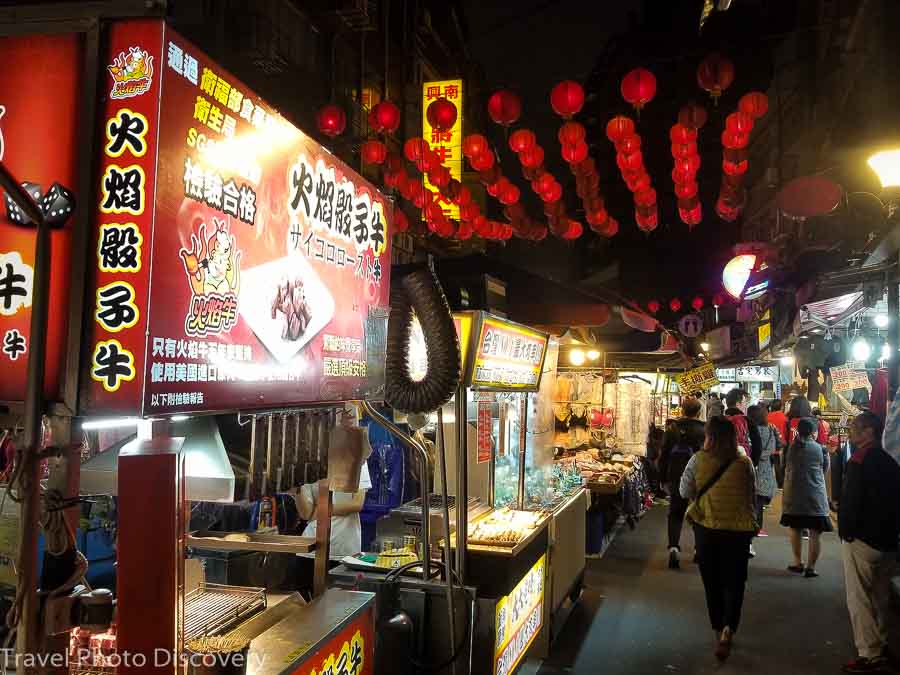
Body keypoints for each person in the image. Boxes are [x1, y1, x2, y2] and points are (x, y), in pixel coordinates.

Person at [681, 416, 758, 661]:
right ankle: (728, 628)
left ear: (710, 436)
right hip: (739, 531)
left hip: (707, 529)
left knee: (712, 581)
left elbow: (684, 490)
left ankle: (717, 628)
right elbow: (751, 494)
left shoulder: (697, 460)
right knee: (735, 581)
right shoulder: (744, 462)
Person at [839, 412, 900, 673]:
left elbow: (850, 502)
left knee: (859, 598)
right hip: (888, 541)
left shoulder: (859, 460)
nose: (851, 432)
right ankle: (883, 643)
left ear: (870, 433)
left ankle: (869, 653)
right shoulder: (890, 461)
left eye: (856, 428)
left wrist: (847, 533)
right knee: (880, 596)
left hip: (862, 541)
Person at [780, 418, 832, 577]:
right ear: (814, 432)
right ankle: (811, 567)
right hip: (815, 497)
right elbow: (825, 469)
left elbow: (783, 467)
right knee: (815, 533)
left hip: (793, 495)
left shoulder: (789, 448)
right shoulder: (821, 450)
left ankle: (797, 562)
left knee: (795, 529)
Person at [658, 396, 705, 569]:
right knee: (699, 513)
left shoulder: (672, 429)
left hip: (676, 475)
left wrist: (662, 479)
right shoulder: (704, 430)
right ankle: (698, 550)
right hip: (700, 476)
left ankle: (673, 549)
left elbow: (663, 456)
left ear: (682, 410)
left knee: (676, 513)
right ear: (699, 412)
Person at [748, 404, 779, 536]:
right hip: (764, 467)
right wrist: (763, 456)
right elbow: (773, 449)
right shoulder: (770, 430)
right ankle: (758, 527)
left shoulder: (749, 430)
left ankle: (748, 525)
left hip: (750, 465)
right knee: (759, 500)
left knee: (749, 499)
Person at [769, 399, 788, 488]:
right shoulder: (784, 417)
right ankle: (780, 485)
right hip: (780, 446)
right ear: (781, 407)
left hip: (768, 446)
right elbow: (785, 432)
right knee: (779, 466)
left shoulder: (767, 416)